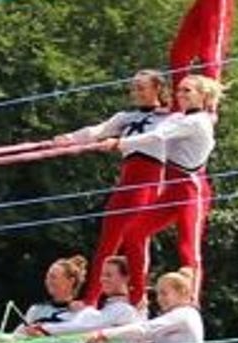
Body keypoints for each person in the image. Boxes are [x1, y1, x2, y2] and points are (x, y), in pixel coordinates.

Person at [70, 73, 174, 306]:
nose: (135, 92)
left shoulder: (170, 117)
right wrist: (67, 138)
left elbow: (159, 137)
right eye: (133, 88)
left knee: (135, 238)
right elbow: (96, 131)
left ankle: (138, 297)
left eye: (141, 87)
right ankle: (91, 299)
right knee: (107, 241)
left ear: (157, 88)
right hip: (126, 182)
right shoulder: (125, 117)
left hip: (149, 181)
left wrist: (120, 143)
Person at [110, 74, 221, 291]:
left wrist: (120, 143)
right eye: (179, 90)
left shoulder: (197, 121)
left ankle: (192, 302)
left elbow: (158, 136)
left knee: (189, 248)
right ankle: (138, 295)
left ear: (202, 95)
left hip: (192, 190)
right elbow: (158, 125)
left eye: (187, 91)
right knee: (133, 233)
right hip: (172, 190)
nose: (180, 95)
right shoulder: (180, 118)